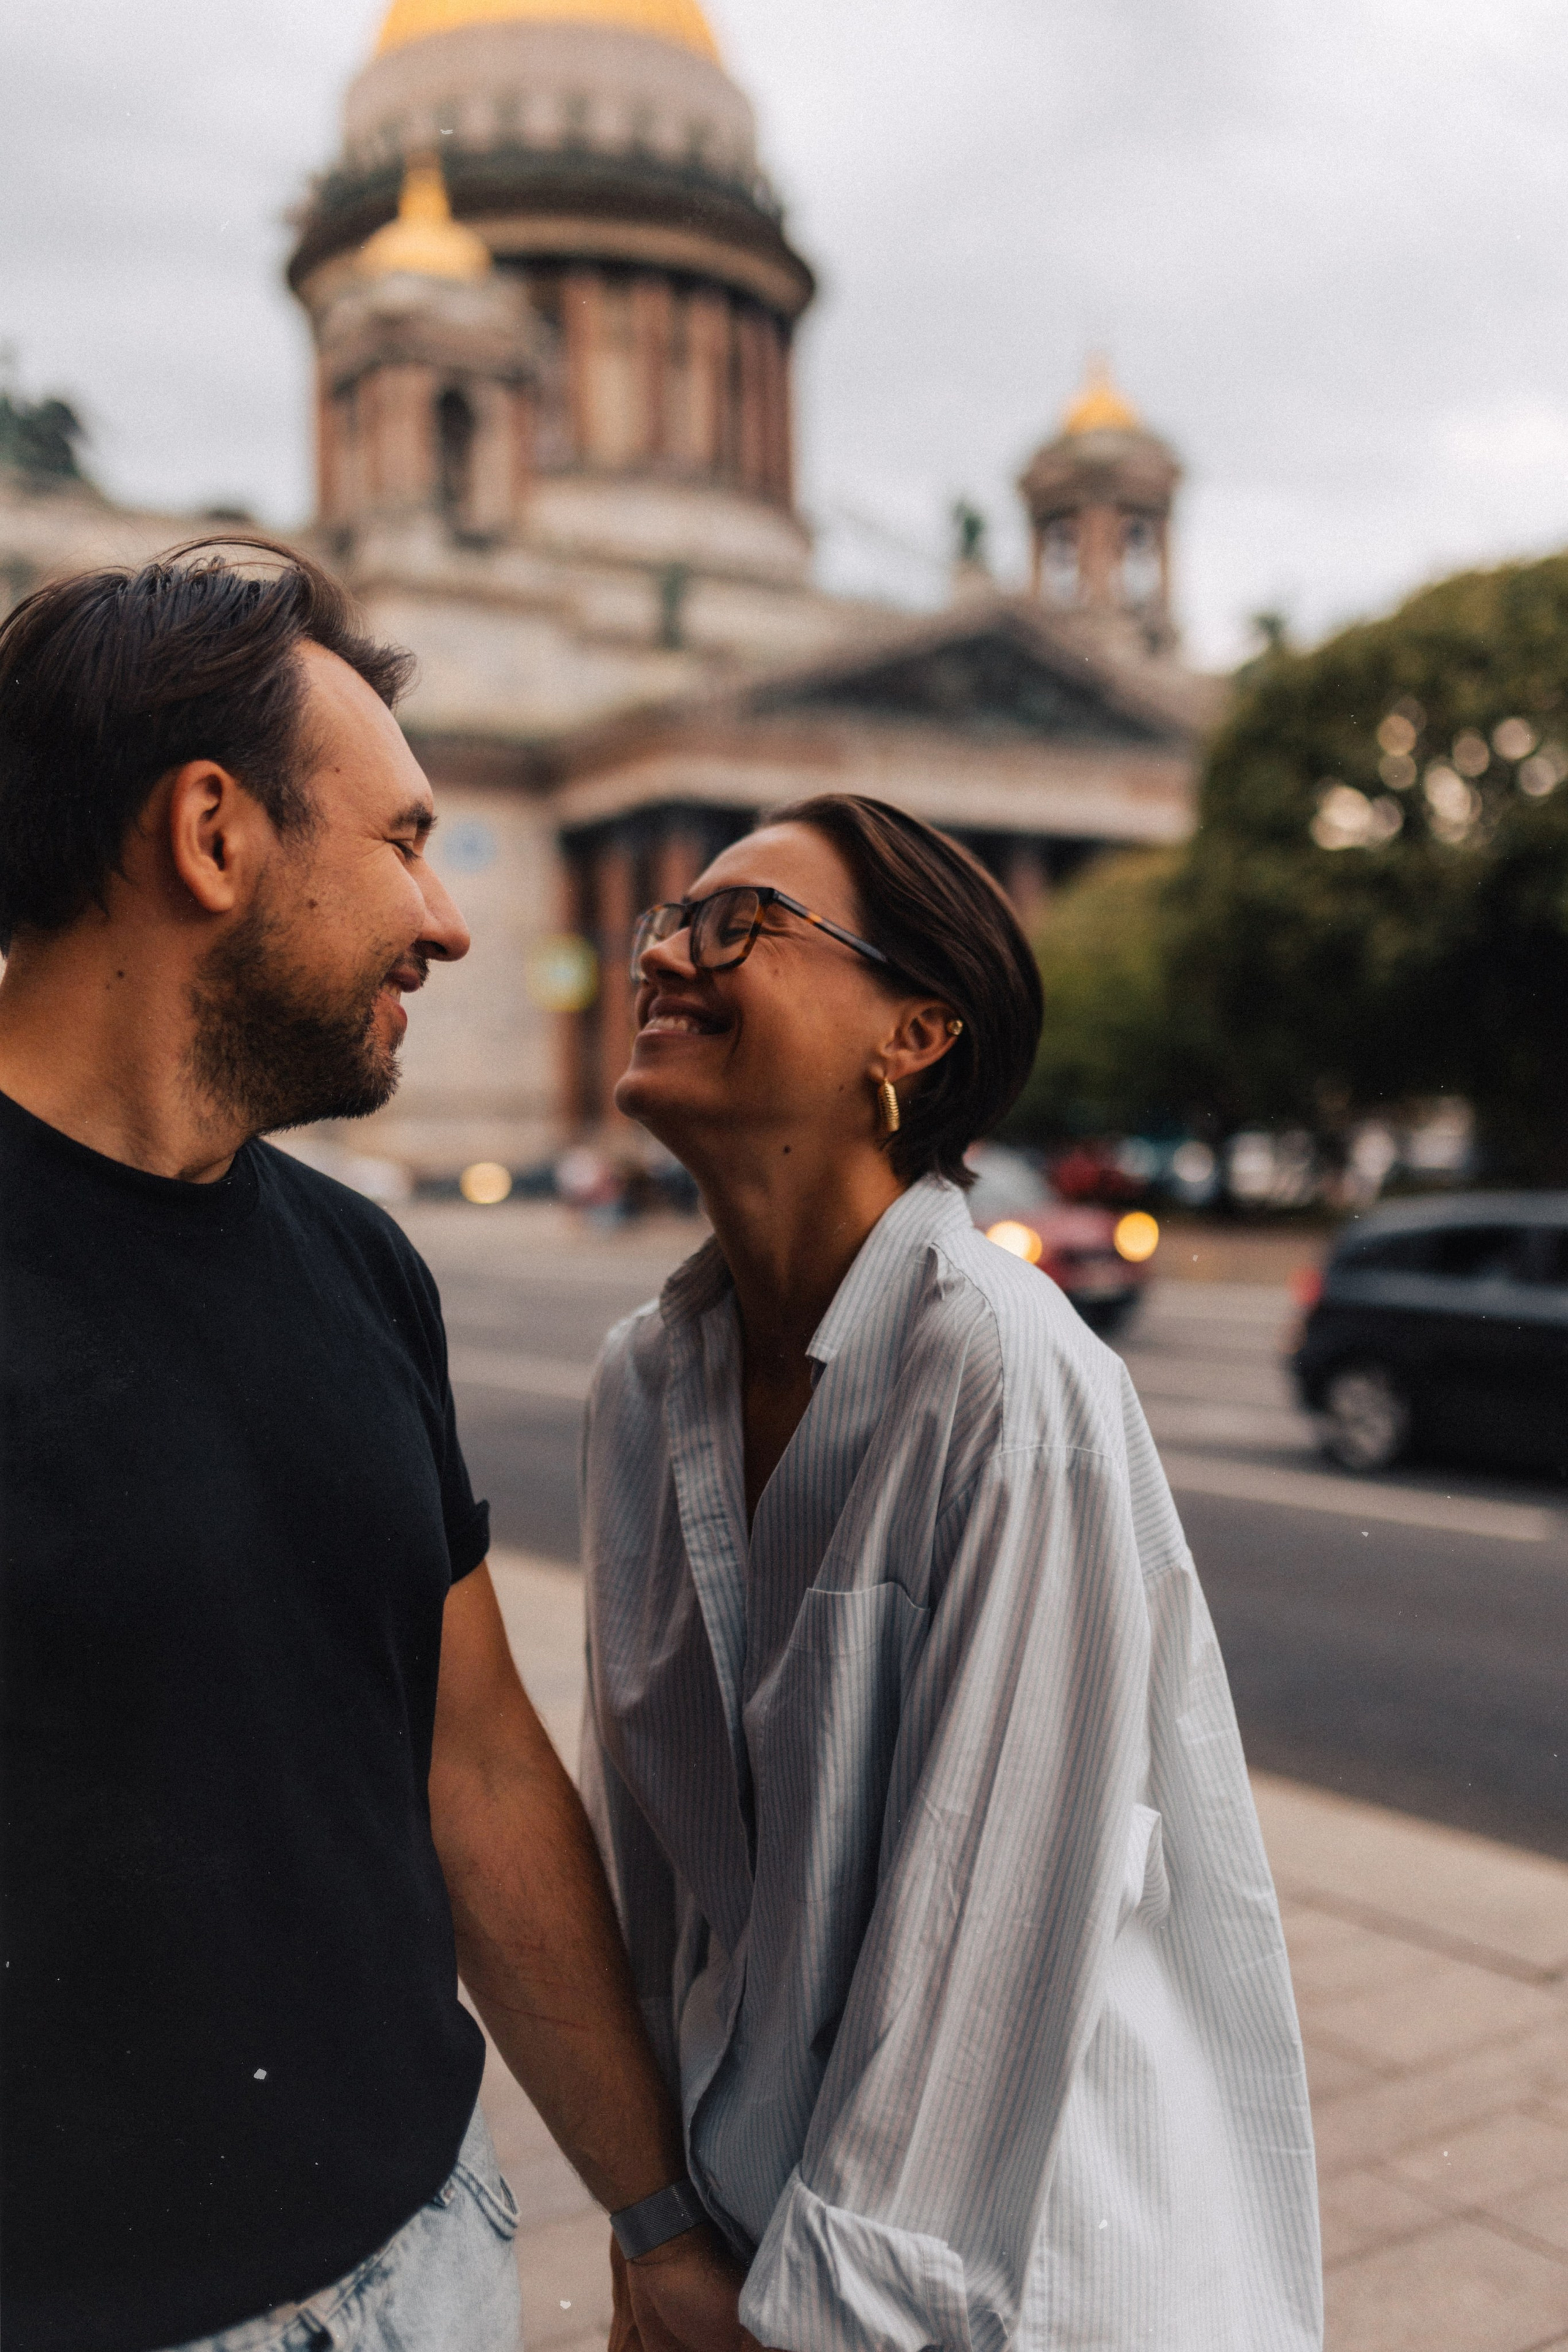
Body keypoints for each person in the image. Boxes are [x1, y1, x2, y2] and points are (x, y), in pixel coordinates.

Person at [0, 543, 738, 2352]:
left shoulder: (359, 1265)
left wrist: (651, 2214)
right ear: (211, 833)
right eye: (403, 843)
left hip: (431, 2262)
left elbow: (472, 1765)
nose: (454, 919)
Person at [582, 794, 1323, 2352]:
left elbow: (979, 1960)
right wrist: (650, 2219)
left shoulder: (1009, 1385)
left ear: (912, 1034)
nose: (664, 953)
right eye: (667, 920)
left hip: (1005, 2270)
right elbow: (651, 1879)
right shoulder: (644, 1383)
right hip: (748, 2222)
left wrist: (800, 2321)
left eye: (738, 925)